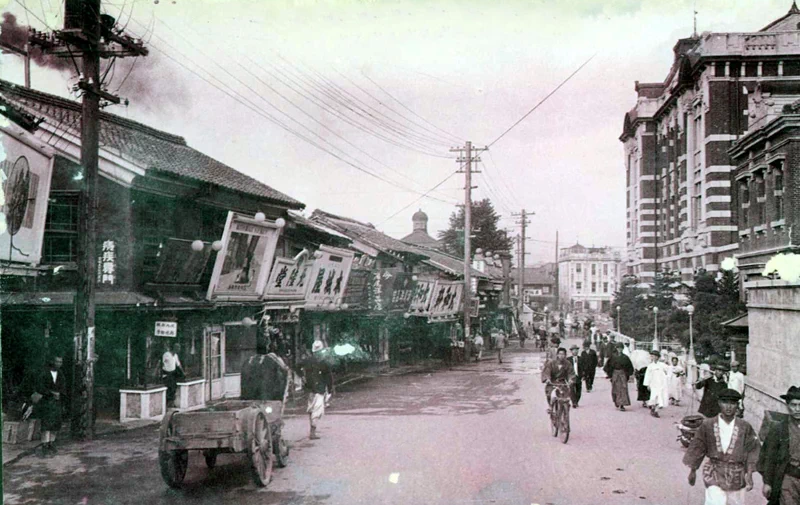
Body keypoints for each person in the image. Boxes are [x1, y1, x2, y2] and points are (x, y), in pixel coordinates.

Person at [684, 389, 760, 505]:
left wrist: (749, 473)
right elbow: (698, 447)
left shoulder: (745, 427)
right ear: (719, 403)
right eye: (725, 402)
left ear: (737, 405)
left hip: (737, 474)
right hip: (714, 471)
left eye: (733, 403)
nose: (728, 407)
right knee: (715, 501)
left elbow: (752, 450)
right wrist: (693, 470)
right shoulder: (707, 425)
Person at [758, 385, 800, 505]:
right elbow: (769, 456)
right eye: (794, 405)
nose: (797, 409)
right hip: (788, 479)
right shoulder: (779, 428)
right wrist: (767, 482)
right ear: (787, 406)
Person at [29, 356, 65, 457]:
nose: (59, 364)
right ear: (52, 362)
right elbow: (40, 387)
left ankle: (51, 443)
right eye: (57, 361)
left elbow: (63, 387)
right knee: (46, 423)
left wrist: (60, 394)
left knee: (55, 423)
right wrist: (51, 393)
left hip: (57, 402)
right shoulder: (45, 373)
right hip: (47, 401)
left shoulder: (61, 374)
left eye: (60, 362)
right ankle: (44, 444)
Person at [300, 340, 333, 440]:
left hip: (312, 388)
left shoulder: (309, 361)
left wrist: (302, 377)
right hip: (317, 389)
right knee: (316, 410)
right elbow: (329, 378)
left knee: (312, 409)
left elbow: (297, 366)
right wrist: (330, 389)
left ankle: (312, 430)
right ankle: (312, 432)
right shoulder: (323, 363)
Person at [541, 347, 576, 413]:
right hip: (552, 382)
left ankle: (566, 413)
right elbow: (547, 371)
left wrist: (571, 379)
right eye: (560, 354)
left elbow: (571, 373)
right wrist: (547, 379)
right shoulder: (551, 363)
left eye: (563, 354)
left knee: (566, 396)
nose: (561, 356)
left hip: (562, 383)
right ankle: (550, 406)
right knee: (549, 394)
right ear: (557, 355)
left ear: (565, 355)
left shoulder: (568, 363)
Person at [603, 343, 634, 411]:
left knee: (623, 389)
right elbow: (607, 366)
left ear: (622, 349)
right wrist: (610, 374)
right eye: (618, 348)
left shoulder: (625, 357)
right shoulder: (613, 357)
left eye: (621, 348)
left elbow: (630, 367)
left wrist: (628, 374)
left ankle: (622, 404)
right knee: (615, 388)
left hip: (623, 374)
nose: (619, 349)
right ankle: (616, 401)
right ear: (616, 348)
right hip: (615, 374)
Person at [644, 350, 670, 418]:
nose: (653, 357)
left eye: (655, 356)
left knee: (660, 397)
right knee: (653, 397)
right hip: (653, 384)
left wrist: (667, 377)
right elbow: (647, 376)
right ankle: (653, 408)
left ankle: (656, 411)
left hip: (661, 384)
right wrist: (647, 384)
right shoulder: (650, 366)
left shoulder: (662, 365)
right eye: (652, 356)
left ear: (657, 357)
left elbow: (669, 370)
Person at [161, 342, 183, 408]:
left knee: (173, 389)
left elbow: (178, 364)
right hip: (166, 374)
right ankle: (166, 403)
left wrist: (183, 372)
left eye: (179, 348)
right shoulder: (167, 354)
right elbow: (162, 363)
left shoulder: (175, 356)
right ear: (174, 348)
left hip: (173, 374)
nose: (179, 349)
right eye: (178, 348)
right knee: (168, 389)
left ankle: (171, 403)